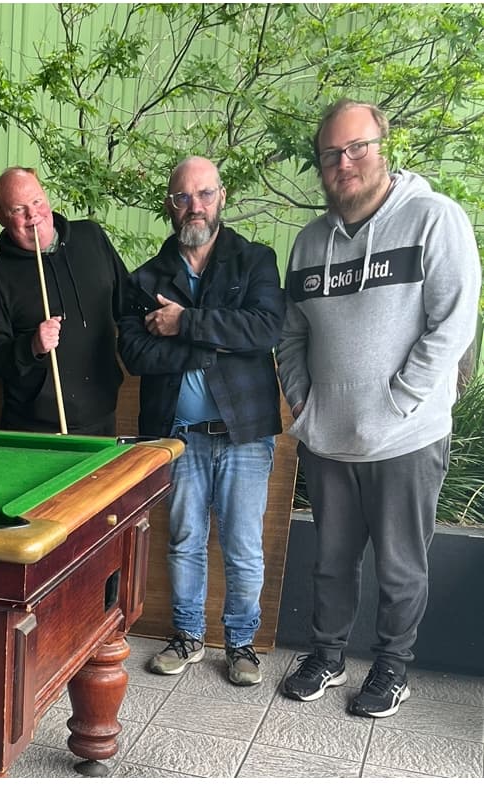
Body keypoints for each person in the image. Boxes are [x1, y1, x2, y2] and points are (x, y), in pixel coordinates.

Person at [277, 100, 480, 717]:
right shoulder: (310, 242)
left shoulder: (434, 219)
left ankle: (392, 668)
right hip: (328, 437)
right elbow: (291, 334)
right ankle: (328, 655)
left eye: (357, 147)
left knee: (400, 567)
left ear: (382, 145)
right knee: (331, 566)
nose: (345, 163)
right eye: (331, 154)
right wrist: (302, 401)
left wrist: (401, 400)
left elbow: (453, 324)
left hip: (406, 439)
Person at [117, 156, 285, 687]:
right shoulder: (146, 277)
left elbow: (262, 329)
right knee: (184, 540)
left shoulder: (254, 260)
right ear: (170, 203)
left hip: (244, 433)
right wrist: (206, 349)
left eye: (205, 195)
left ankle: (241, 645)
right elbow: (135, 352)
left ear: (222, 197)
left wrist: (183, 322)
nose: (195, 206)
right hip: (177, 437)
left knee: (242, 544)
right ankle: (187, 635)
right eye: (184, 197)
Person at [0, 167, 129, 435]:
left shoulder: (92, 238)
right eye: (18, 209)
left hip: (102, 416)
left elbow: (127, 303)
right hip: (32, 427)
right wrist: (32, 346)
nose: (32, 215)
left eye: (37, 201)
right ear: (1, 217)